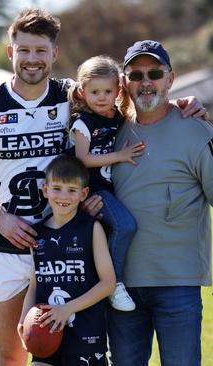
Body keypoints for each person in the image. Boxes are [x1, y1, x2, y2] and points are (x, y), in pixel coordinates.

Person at [0, 8, 207, 366]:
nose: (32, 59)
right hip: (4, 247)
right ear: (10, 53)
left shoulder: (72, 97)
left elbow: (122, 104)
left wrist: (177, 104)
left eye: (40, 50)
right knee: (11, 357)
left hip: (66, 247)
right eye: (24, 50)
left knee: (77, 356)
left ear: (54, 53)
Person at [106, 40, 213, 366]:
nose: (146, 82)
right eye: (136, 74)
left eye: (154, 73)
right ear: (123, 81)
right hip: (119, 286)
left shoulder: (197, 131)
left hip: (177, 286)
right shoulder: (107, 129)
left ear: (170, 79)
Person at [18, 154, 115, 366]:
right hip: (47, 331)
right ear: (45, 189)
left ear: (84, 193)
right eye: (57, 188)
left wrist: (68, 308)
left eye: (72, 190)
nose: (64, 196)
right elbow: (35, 284)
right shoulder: (38, 234)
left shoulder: (91, 229)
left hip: (86, 335)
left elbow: (108, 283)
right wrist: (24, 317)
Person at [68, 55, 143, 311]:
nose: (101, 97)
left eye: (108, 91)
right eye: (95, 91)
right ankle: (113, 284)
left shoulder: (119, 118)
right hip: (95, 191)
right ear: (82, 92)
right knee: (126, 226)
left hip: (113, 189)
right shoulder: (83, 123)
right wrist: (120, 156)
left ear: (118, 91)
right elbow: (82, 159)